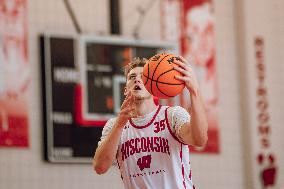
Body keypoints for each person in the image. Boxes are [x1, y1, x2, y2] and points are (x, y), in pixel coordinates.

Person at [93, 56, 208, 189]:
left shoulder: (172, 116)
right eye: (132, 77)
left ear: (153, 86)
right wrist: (119, 125)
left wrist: (194, 91)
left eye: (143, 76)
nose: (137, 79)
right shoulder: (114, 125)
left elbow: (200, 140)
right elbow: (100, 167)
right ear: (125, 89)